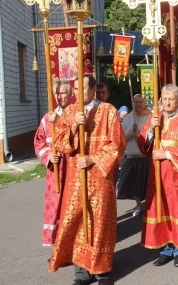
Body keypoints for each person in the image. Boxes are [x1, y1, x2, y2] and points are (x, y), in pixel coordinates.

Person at [48, 74, 126, 285]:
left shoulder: (108, 111)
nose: (77, 94)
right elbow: (61, 144)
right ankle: (81, 272)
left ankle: (101, 270)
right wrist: (74, 126)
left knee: (100, 223)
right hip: (77, 178)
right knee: (77, 222)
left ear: (93, 90)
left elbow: (118, 144)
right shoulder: (71, 111)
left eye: (81, 89)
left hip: (101, 176)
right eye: (75, 89)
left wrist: (92, 158)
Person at [138, 84, 178, 268]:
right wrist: (150, 130)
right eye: (164, 99)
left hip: (176, 175)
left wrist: (167, 154)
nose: (167, 102)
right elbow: (143, 144)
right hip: (156, 174)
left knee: (176, 210)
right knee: (160, 208)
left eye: (171, 99)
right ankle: (165, 247)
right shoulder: (155, 118)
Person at [34, 80, 73, 247]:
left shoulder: (74, 115)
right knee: (55, 205)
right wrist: (48, 156)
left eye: (63, 93)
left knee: (71, 206)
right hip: (55, 171)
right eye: (57, 93)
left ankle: (71, 243)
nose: (60, 97)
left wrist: (60, 121)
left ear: (70, 94)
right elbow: (39, 142)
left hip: (72, 170)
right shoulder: (46, 119)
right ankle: (57, 244)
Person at [117, 94, 152, 216]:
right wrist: (131, 131)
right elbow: (121, 138)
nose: (138, 104)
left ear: (144, 103)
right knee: (133, 183)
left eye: (140, 102)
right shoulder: (128, 118)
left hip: (146, 156)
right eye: (135, 102)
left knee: (148, 183)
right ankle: (138, 205)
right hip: (132, 156)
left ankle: (150, 205)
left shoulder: (150, 117)